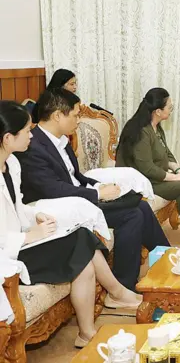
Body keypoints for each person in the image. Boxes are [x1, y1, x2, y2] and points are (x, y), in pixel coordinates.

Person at [0, 101, 141, 348]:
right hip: (8, 254)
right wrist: (29, 236)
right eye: (27, 131)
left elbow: (17, 207)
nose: (31, 136)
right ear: (8, 138)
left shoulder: (11, 164)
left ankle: (89, 331)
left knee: (82, 244)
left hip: (21, 241)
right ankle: (114, 297)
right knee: (80, 244)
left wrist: (35, 216)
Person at [17, 89, 168, 291]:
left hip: (78, 197)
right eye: (75, 115)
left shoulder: (60, 140)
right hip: (59, 206)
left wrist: (98, 186)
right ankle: (124, 286)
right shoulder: (32, 147)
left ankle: (167, 260)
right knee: (132, 215)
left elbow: (75, 176)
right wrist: (97, 194)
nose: (78, 120)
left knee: (140, 205)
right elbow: (53, 189)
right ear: (57, 116)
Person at [115, 88, 180, 224]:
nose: (171, 110)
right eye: (169, 107)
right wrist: (176, 178)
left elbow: (166, 153)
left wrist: (179, 171)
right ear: (158, 111)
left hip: (154, 178)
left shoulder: (156, 126)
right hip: (141, 182)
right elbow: (147, 168)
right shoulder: (141, 132)